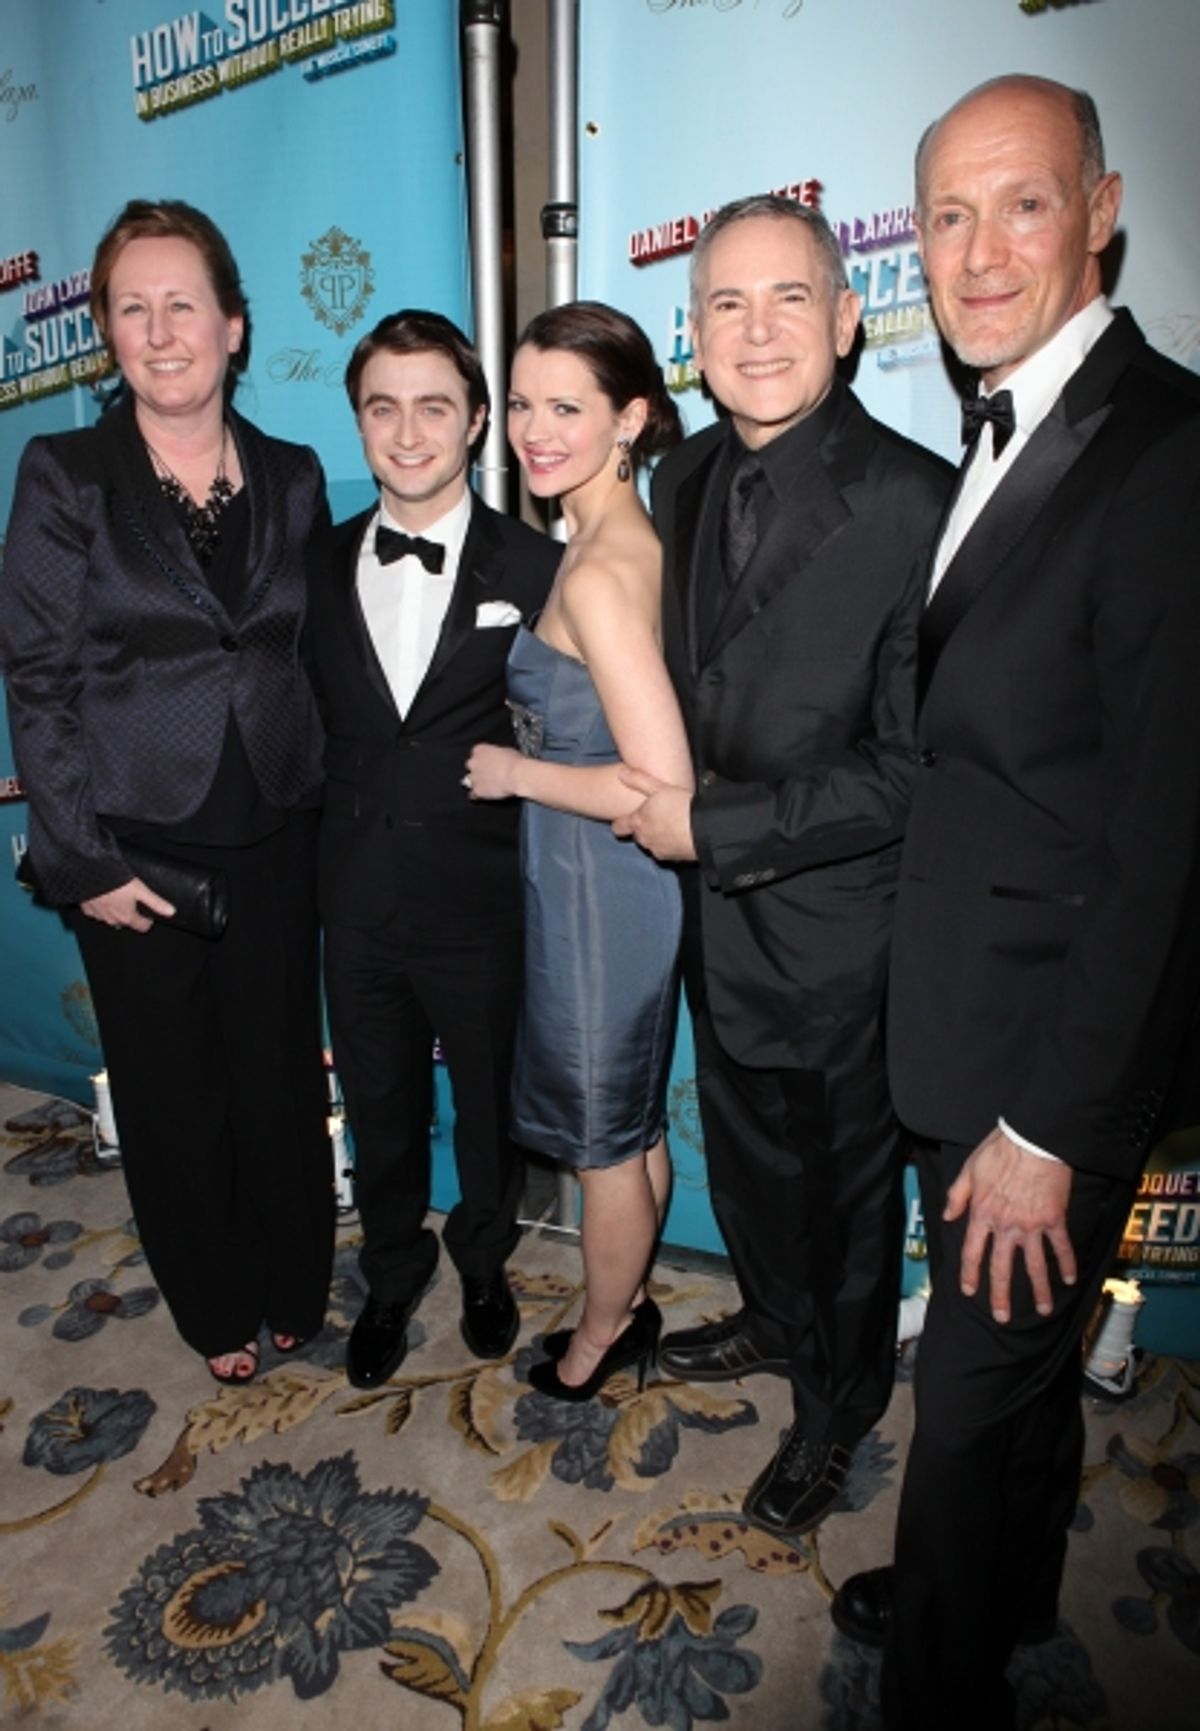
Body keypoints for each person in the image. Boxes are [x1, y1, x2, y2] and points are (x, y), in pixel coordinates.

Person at [828, 76, 1200, 1728]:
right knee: (1021, 1381)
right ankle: (1002, 1586)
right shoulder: (999, 422)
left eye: (1023, 204)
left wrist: (1051, 1125)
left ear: (1101, 210)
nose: (978, 254)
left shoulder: (1172, 450)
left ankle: (937, 1684)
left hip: (1048, 1057)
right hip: (961, 1011)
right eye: (946, 217)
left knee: (968, 1404)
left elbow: (1171, 840)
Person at [617, 196, 952, 1532]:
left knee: (847, 1201)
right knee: (753, 1161)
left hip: (838, 937)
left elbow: (911, 766)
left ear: (851, 317)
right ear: (690, 335)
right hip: (707, 924)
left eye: (789, 299)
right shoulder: (685, 475)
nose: (757, 333)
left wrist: (721, 829)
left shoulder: (919, 504)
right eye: (726, 305)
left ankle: (838, 1401)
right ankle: (769, 1316)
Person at [0, 199, 335, 1383]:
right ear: (105, 334)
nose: (160, 330)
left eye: (181, 304)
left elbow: (310, 652)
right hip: (133, 840)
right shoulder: (66, 474)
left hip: (278, 821)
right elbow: (35, 676)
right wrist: (80, 861)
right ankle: (212, 1302)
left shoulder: (296, 477)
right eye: (131, 309)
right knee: (171, 1089)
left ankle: (296, 1278)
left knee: (281, 1069)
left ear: (234, 327)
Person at [307, 311, 560, 1389]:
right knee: (380, 1104)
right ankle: (394, 1271)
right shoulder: (311, 563)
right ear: (359, 421)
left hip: (485, 895)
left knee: (490, 1105)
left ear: (476, 424)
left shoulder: (538, 565)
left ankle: (487, 1260)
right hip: (356, 895)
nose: (407, 432)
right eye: (383, 406)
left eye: (434, 407)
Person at [465, 301, 690, 1400]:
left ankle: (600, 1341)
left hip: (603, 885)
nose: (533, 429)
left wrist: (516, 772)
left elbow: (659, 786)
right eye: (520, 403)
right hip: (595, 884)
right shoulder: (605, 538)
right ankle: (632, 1303)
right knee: (631, 1119)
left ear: (630, 417)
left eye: (567, 406)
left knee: (605, 1140)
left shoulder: (601, 570)